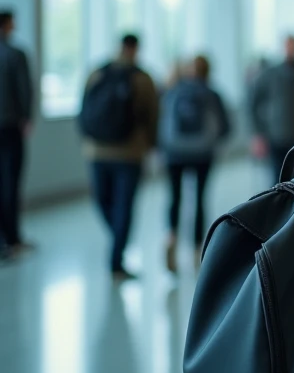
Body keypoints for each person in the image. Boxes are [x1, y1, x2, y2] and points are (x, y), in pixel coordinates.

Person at [80, 34, 158, 282]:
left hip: (96, 150)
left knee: (103, 201)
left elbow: (84, 108)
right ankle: (117, 258)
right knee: (123, 206)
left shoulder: (97, 73)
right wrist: (152, 146)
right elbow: (152, 116)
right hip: (130, 152)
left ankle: (117, 244)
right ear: (135, 49)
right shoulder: (142, 78)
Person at [159, 55, 230, 273]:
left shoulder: (173, 91)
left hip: (174, 153)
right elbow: (225, 127)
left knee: (174, 197)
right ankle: (197, 249)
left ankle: (171, 236)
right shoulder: (212, 94)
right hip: (202, 153)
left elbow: (160, 122)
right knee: (199, 199)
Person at [250, 35, 294, 179]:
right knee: (278, 177)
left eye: (293, 46)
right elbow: (253, 103)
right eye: (288, 46)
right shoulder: (269, 74)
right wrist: (258, 133)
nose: (291, 49)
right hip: (276, 135)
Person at [0, 9, 33, 259]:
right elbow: (24, 89)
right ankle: (11, 238)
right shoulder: (14, 54)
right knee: (10, 183)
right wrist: (26, 117)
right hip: (9, 126)